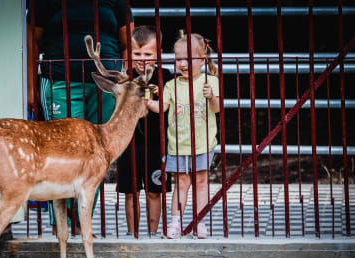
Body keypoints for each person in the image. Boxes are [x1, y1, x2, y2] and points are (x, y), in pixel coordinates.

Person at [27, 0, 134, 234]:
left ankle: (82, 222)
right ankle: (61, 224)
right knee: (62, 151)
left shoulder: (118, 2)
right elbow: (32, 40)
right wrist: (30, 86)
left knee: (96, 153)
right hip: (58, 80)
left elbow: (128, 44)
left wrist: (126, 85)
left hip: (106, 85)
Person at [147, 32, 220, 239]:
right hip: (178, 144)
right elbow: (162, 108)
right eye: (179, 59)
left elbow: (217, 109)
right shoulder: (171, 85)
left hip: (203, 143)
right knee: (181, 183)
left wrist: (212, 97)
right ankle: (175, 223)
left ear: (202, 60)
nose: (183, 63)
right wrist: (146, 102)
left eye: (189, 59)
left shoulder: (210, 81)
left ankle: (200, 222)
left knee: (201, 182)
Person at [117, 25, 172, 236]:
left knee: (154, 192)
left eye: (148, 54)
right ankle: (133, 236)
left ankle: (151, 236)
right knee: (130, 193)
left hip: (156, 143)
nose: (141, 59)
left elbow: (165, 111)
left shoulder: (166, 76)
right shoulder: (124, 76)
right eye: (137, 54)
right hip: (128, 143)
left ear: (158, 54)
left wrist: (152, 95)